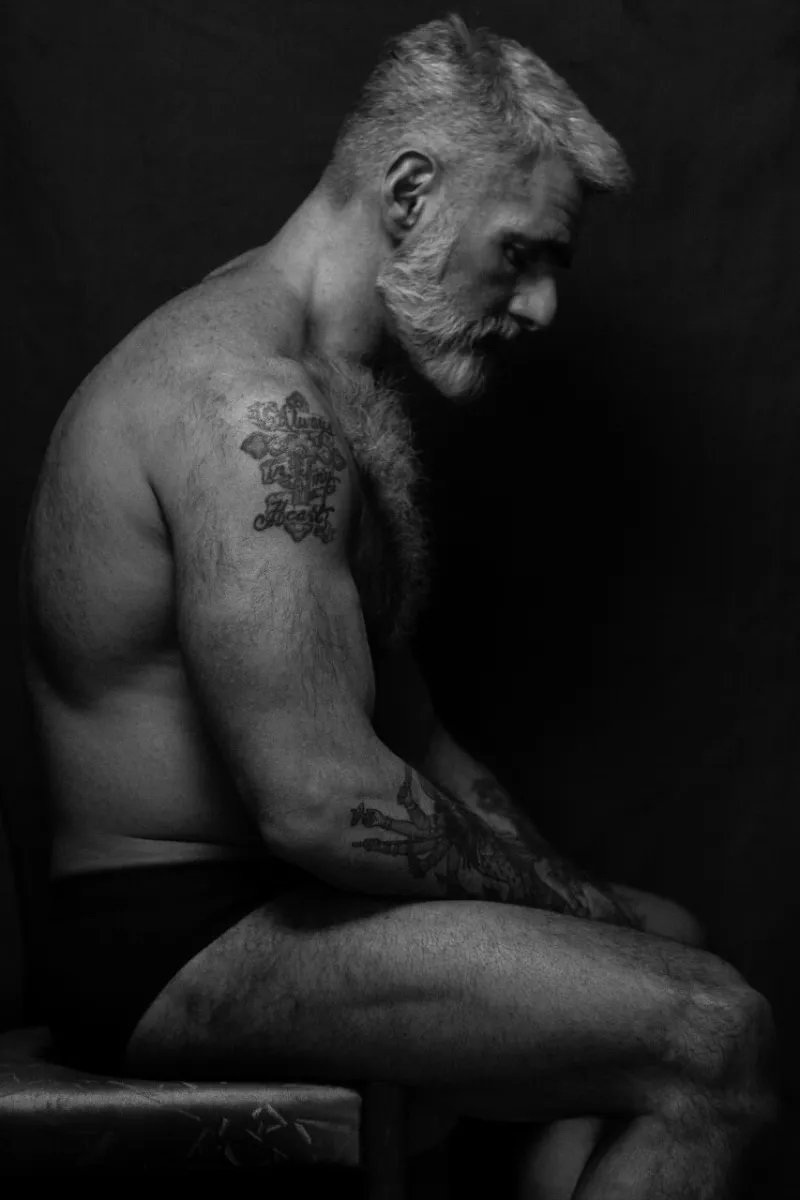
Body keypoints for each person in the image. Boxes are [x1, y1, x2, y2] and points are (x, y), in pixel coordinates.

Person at [21, 13, 775, 1198]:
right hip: (167, 939)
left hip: (285, 900)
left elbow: (410, 736)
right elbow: (321, 801)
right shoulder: (244, 409)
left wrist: (584, 907)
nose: (540, 309)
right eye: (520, 254)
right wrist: (569, 908)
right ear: (411, 191)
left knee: (663, 940)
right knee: (710, 1035)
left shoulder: (335, 397)